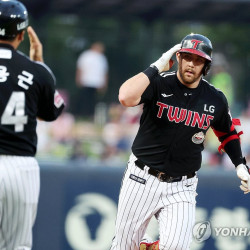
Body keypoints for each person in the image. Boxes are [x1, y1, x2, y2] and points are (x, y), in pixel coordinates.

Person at [110, 33, 250, 250]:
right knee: (123, 247)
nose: (191, 64)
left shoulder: (214, 98)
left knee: (176, 247)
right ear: (178, 57)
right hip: (141, 178)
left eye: (198, 60)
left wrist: (240, 163)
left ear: (206, 66)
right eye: (187, 57)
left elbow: (228, 132)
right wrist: (157, 65)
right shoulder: (158, 83)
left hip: (182, 186)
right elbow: (125, 97)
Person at [0, 0, 65, 249]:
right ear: (21, 34)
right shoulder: (37, 72)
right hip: (20, 167)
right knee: (16, 246)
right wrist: (39, 64)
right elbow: (50, 113)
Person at [75, 41, 109, 119]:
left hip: (97, 83)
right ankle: (82, 114)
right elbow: (80, 68)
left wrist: (104, 84)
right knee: (85, 99)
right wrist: (78, 79)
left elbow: (104, 72)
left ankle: (92, 116)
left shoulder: (101, 57)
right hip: (86, 81)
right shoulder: (86, 55)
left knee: (93, 101)